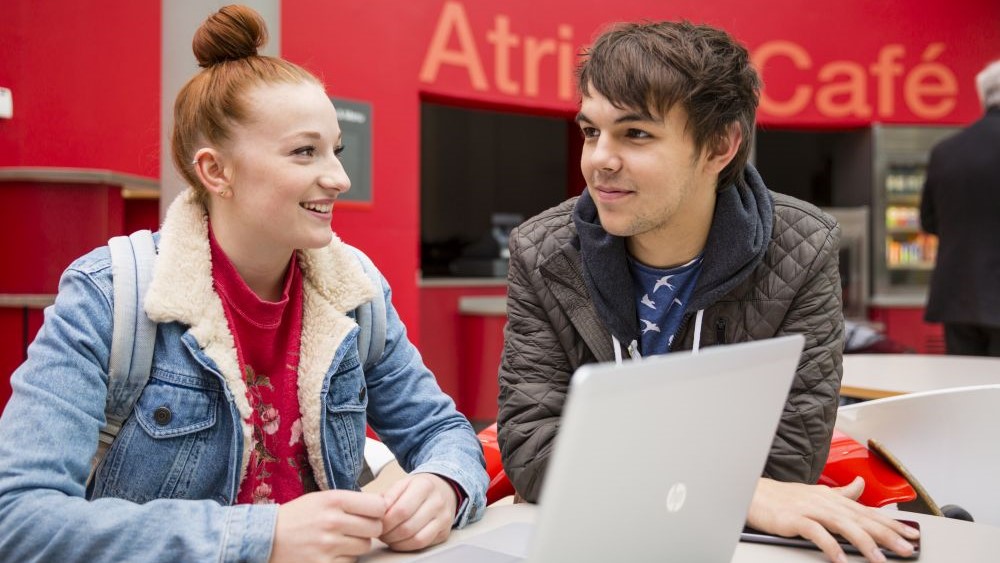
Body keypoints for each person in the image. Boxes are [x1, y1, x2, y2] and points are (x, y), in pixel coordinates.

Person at [0, 5, 486, 562]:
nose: (339, 177)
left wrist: (445, 485)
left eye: (335, 150)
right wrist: (261, 537)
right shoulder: (109, 296)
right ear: (215, 171)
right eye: (305, 151)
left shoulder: (356, 292)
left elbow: (443, 430)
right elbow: (19, 518)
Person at [497, 20, 919, 563]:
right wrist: (738, 489)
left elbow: (790, 461)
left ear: (719, 146)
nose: (600, 158)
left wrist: (639, 472)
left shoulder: (802, 249)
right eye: (592, 130)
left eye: (636, 134)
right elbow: (533, 452)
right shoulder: (543, 252)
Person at [920, 60, 1000, 357]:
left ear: (983, 96)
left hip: (958, 295)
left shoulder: (947, 149)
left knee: (964, 390)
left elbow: (928, 221)